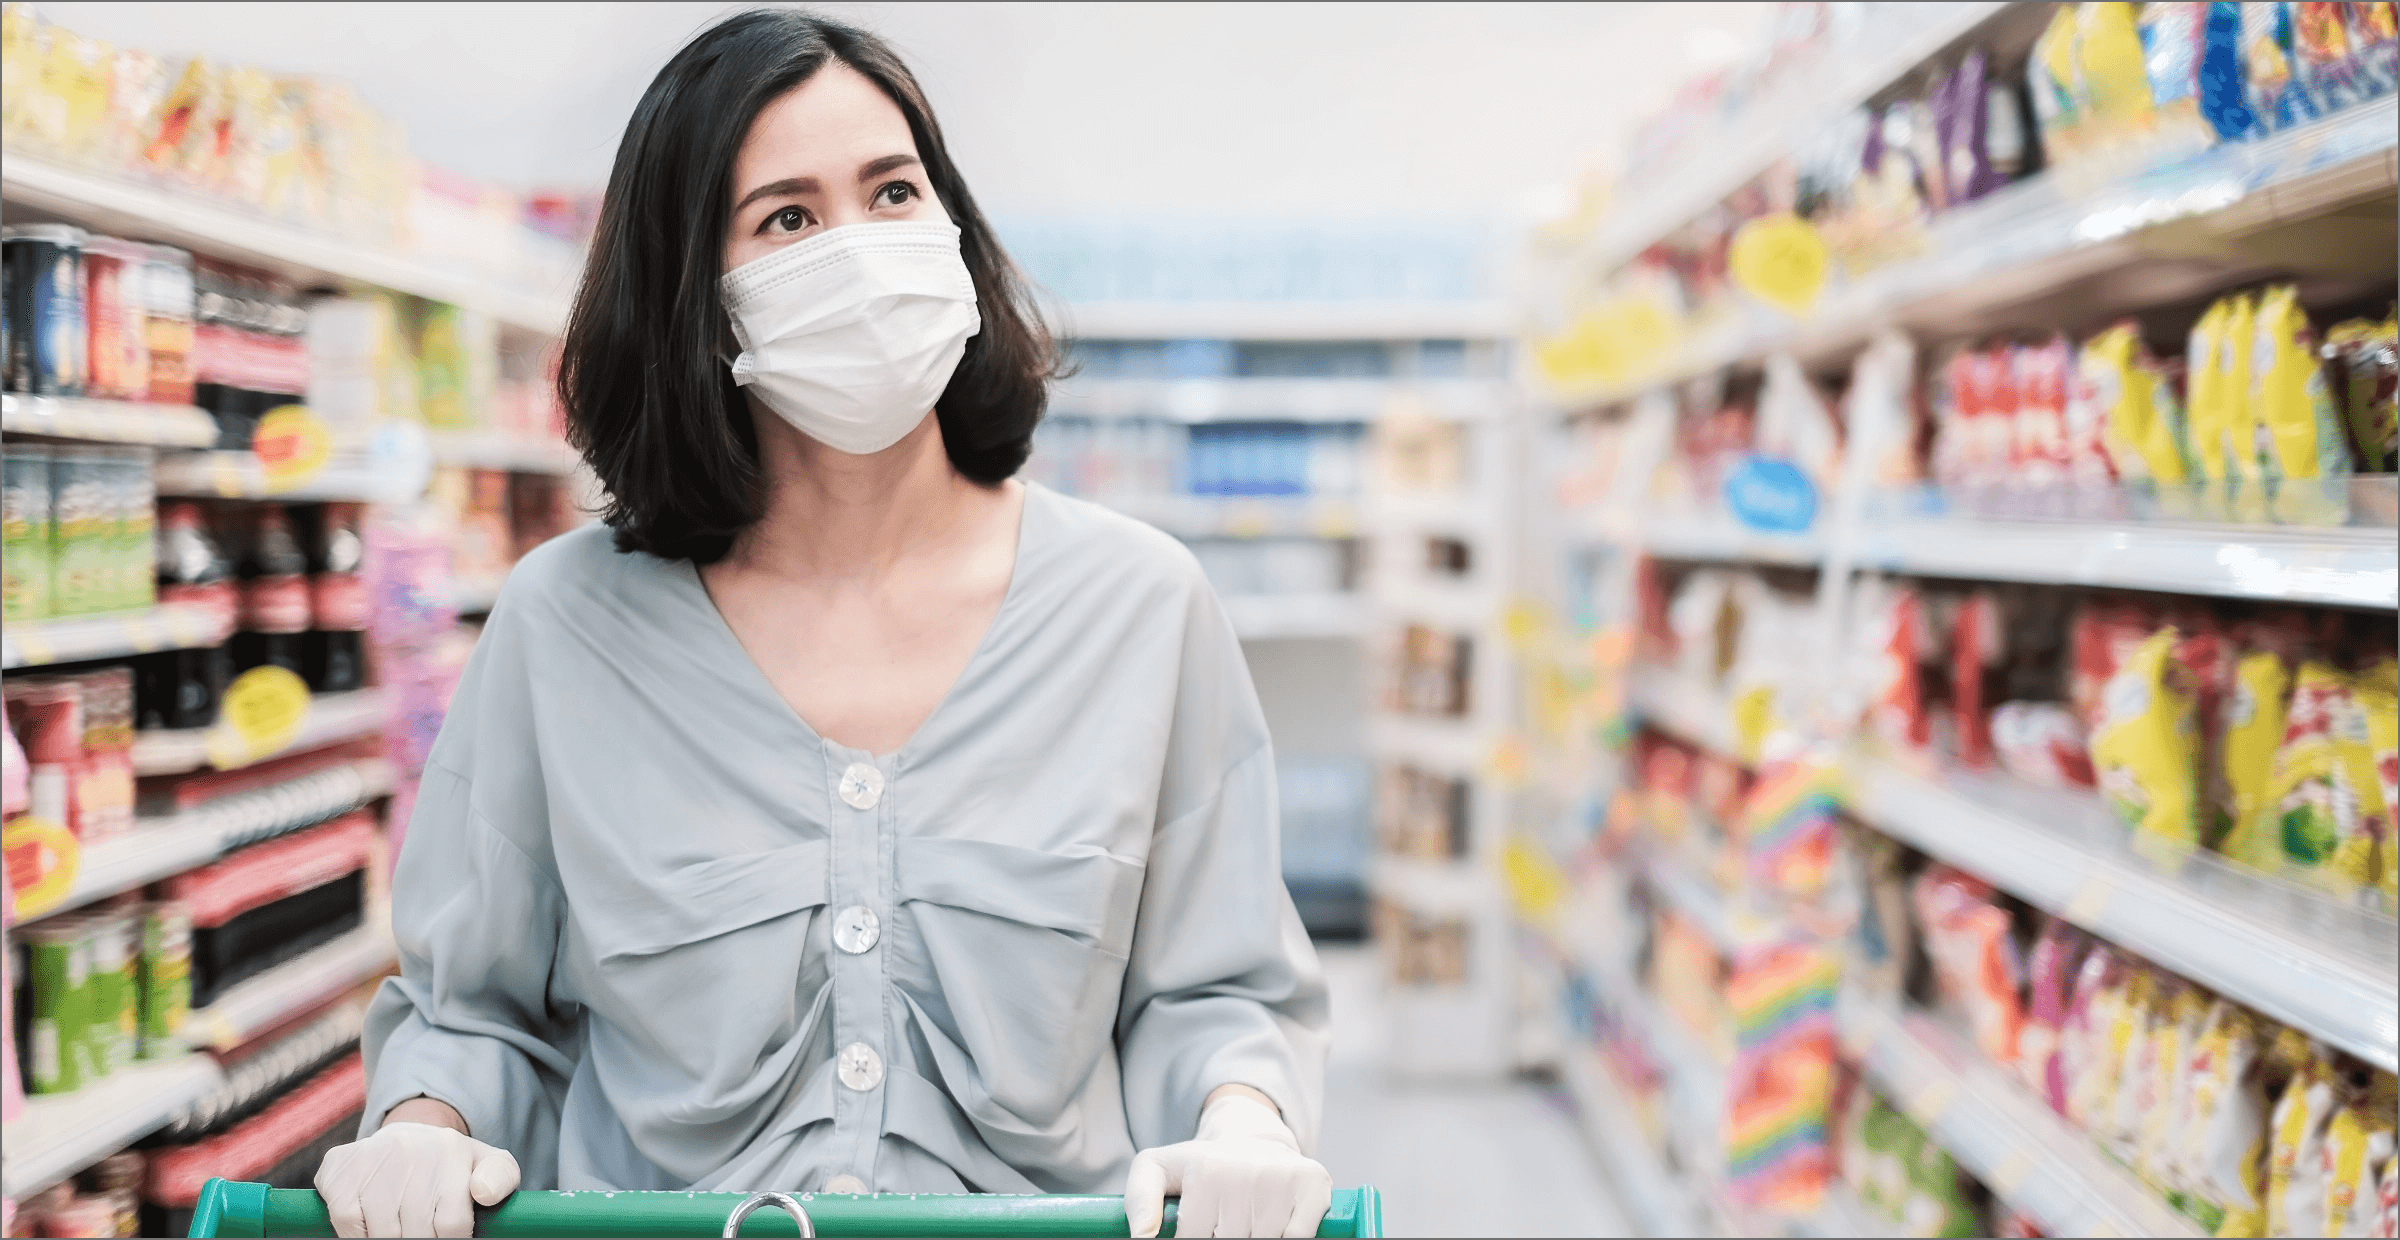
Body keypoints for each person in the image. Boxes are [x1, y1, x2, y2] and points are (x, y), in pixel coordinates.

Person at [312, 9, 1330, 1238]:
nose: (859, 252)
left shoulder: (1140, 607)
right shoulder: (561, 627)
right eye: (787, 217)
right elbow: (476, 1012)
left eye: (894, 191)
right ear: (699, 290)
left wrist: (1242, 1120)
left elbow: (1211, 988)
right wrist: (423, 1128)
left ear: (953, 230)